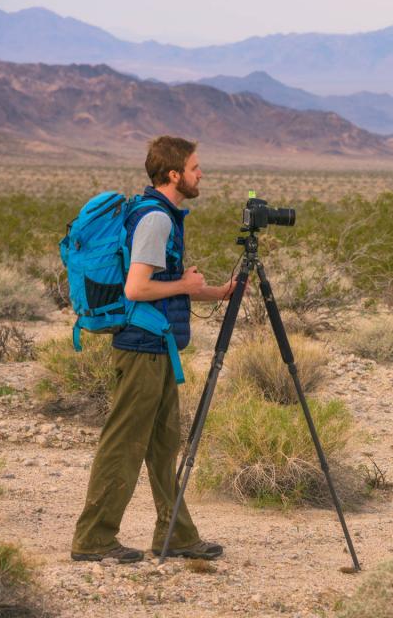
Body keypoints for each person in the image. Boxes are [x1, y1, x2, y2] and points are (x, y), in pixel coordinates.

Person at [71, 136, 236, 564]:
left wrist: (216, 292)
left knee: (163, 446)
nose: (202, 174)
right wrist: (186, 284)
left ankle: (177, 534)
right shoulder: (155, 220)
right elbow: (137, 288)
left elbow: (165, 291)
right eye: (196, 167)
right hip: (142, 348)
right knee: (123, 444)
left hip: (158, 347)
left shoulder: (164, 216)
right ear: (174, 174)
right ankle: (93, 540)